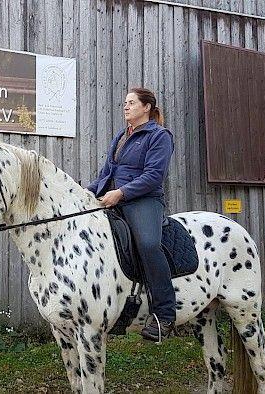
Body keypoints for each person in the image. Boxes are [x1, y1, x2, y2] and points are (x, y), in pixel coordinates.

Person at [86, 87, 176, 343]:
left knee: (148, 244)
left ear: (146, 107)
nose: (126, 107)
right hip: (115, 197)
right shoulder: (122, 136)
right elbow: (107, 173)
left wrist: (121, 193)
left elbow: (153, 176)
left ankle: (164, 315)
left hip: (144, 200)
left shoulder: (159, 136)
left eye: (131, 103)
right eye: (124, 103)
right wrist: (85, 192)